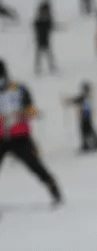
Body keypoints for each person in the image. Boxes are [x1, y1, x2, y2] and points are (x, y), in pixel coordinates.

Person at [0, 59, 63, 205]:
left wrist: (26, 113)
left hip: (19, 136)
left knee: (34, 165)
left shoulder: (19, 88)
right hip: (2, 137)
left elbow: (31, 109)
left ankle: (53, 189)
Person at [63, 81, 97, 152]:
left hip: (86, 117)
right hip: (85, 117)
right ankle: (93, 144)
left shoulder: (85, 97)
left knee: (86, 131)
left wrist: (68, 101)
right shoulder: (86, 96)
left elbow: (76, 100)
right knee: (88, 131)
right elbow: (77, 100)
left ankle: (92, 144)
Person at [32, 2, 57, 76]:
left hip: (44, 38)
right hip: (41, 38)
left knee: (45, 54)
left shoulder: (45, 19)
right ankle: (40, 67)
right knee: (42, 54)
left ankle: (48, 67)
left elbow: (50, 27)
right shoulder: (42, 20)